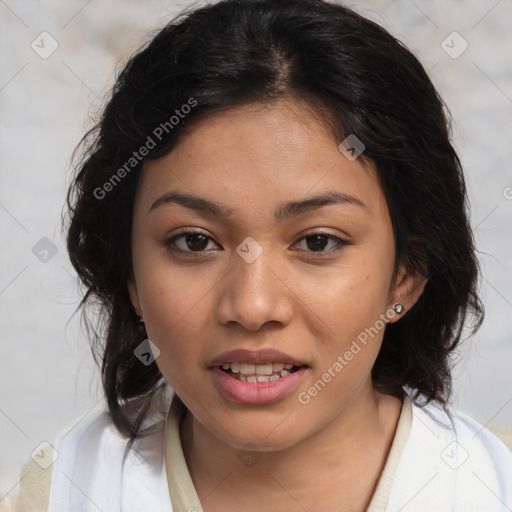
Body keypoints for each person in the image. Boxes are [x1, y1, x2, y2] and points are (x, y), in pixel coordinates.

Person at [9, 0, 512, 510]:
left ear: (407, 272)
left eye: (318, 241)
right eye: (194, 241)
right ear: (130, 273)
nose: (251, 307)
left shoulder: (493, 483)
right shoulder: (59, 494)